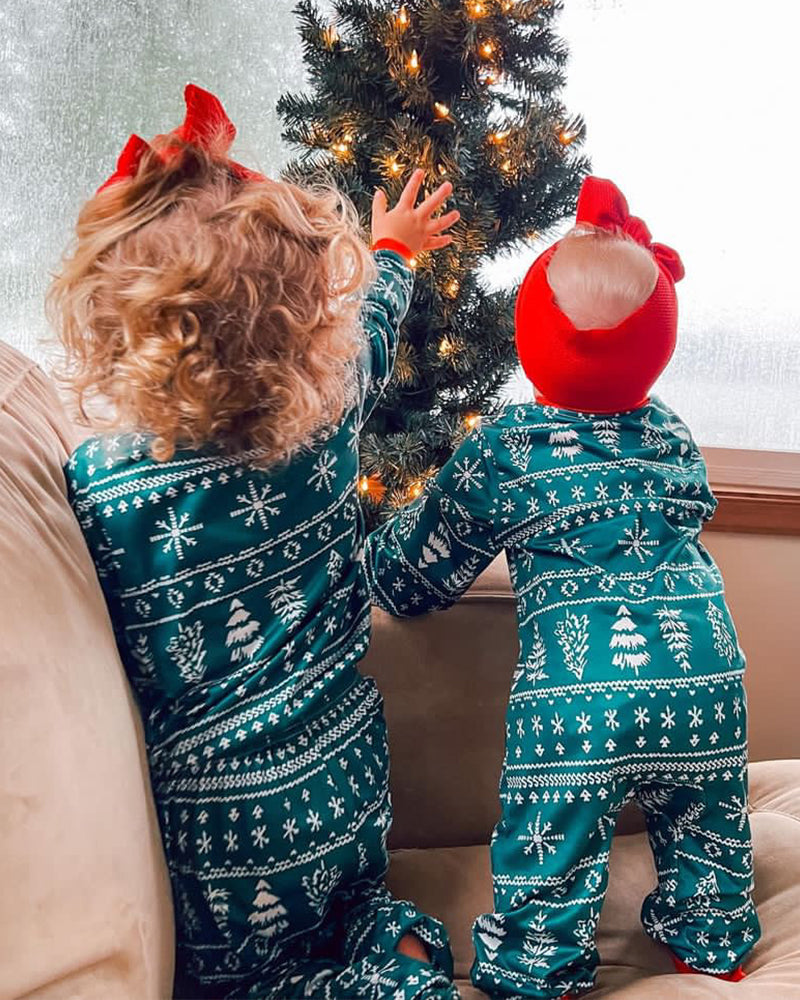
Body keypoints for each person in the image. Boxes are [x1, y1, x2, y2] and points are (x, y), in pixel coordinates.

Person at [51, 83, 460, 1000]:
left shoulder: (104, 487)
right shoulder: (327, 422)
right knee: (359, 905)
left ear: (124, 332)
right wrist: (394, 249)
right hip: (348, 773)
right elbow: (375, 336)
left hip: (220, 824)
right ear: (305, 318)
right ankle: (393, 951)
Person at [366, 176, 760, 999]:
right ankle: (713, 932)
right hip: (711, 674)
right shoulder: (672, 432)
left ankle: (538, 964)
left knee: (552, 834)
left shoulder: (512, 444)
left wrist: (376, 563)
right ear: (656, 343)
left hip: (585, 695)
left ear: (535, 334)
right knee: (709, 824)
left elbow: (417, 572)